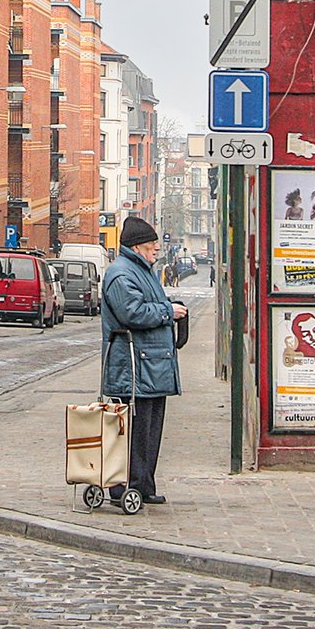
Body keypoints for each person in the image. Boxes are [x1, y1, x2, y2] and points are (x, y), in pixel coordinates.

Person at [101, 216, 187, 507]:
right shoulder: (121, 274)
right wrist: (168, 311)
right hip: (134, 369)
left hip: (150, 367)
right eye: (152, 247)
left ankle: (144, 484)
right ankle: (127, 487)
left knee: (149, 432)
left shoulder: (141, 271)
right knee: (135, 433)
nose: (155, 252)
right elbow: (132, 313)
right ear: (138, 247)